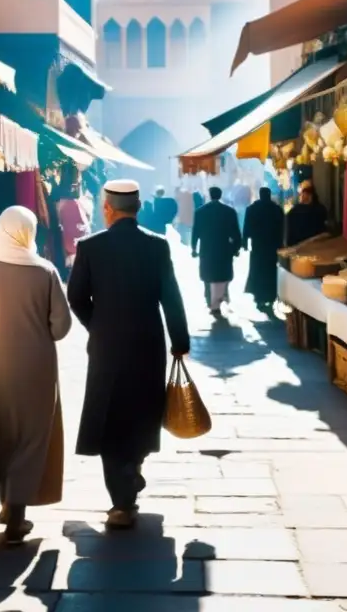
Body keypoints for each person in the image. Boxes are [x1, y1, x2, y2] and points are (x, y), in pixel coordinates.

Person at [67, 180, 190, 530]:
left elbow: (76, 298)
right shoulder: (157, 246)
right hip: (148, 344)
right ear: (136, 209)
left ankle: (121, 501)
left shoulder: (90, 247)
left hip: (107, 348)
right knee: (141, 411)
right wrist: (179, 340)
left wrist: (99, 326)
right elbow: (172, 298)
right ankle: (131, 476)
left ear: (107, 208)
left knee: (110, 417)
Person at [0, 206, 71, 545]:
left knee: (3, 431)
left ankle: (9, 503)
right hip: (37, 367)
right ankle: (16, 516)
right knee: (32, 436)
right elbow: (61, 328)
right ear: (29, 232)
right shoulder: (46, 272)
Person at [192, 186, 242, 316]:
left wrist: (193, 247)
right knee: (223, 273)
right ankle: (221, 295)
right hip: (224, 247)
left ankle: (209, 296)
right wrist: (236, 247)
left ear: (209, 195)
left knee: (207, 272)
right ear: (220, 195)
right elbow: (236, 232)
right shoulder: (229, 211)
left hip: (207, 247)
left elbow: (195, 232)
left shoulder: (200, 212)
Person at [243, 188, 284, 311]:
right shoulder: (276, 209)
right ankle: (271, 296)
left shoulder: (252, 209)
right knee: (270, 271)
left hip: (258, 246)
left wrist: (244, 242)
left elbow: (247, 227)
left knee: (258, 270)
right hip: (273, 246)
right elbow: (282, 228)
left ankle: (259, 297)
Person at [285, 180, 328, 247]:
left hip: (299, 246)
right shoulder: (321, 209)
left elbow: (290, 233)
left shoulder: (294, 211)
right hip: (317, 246)